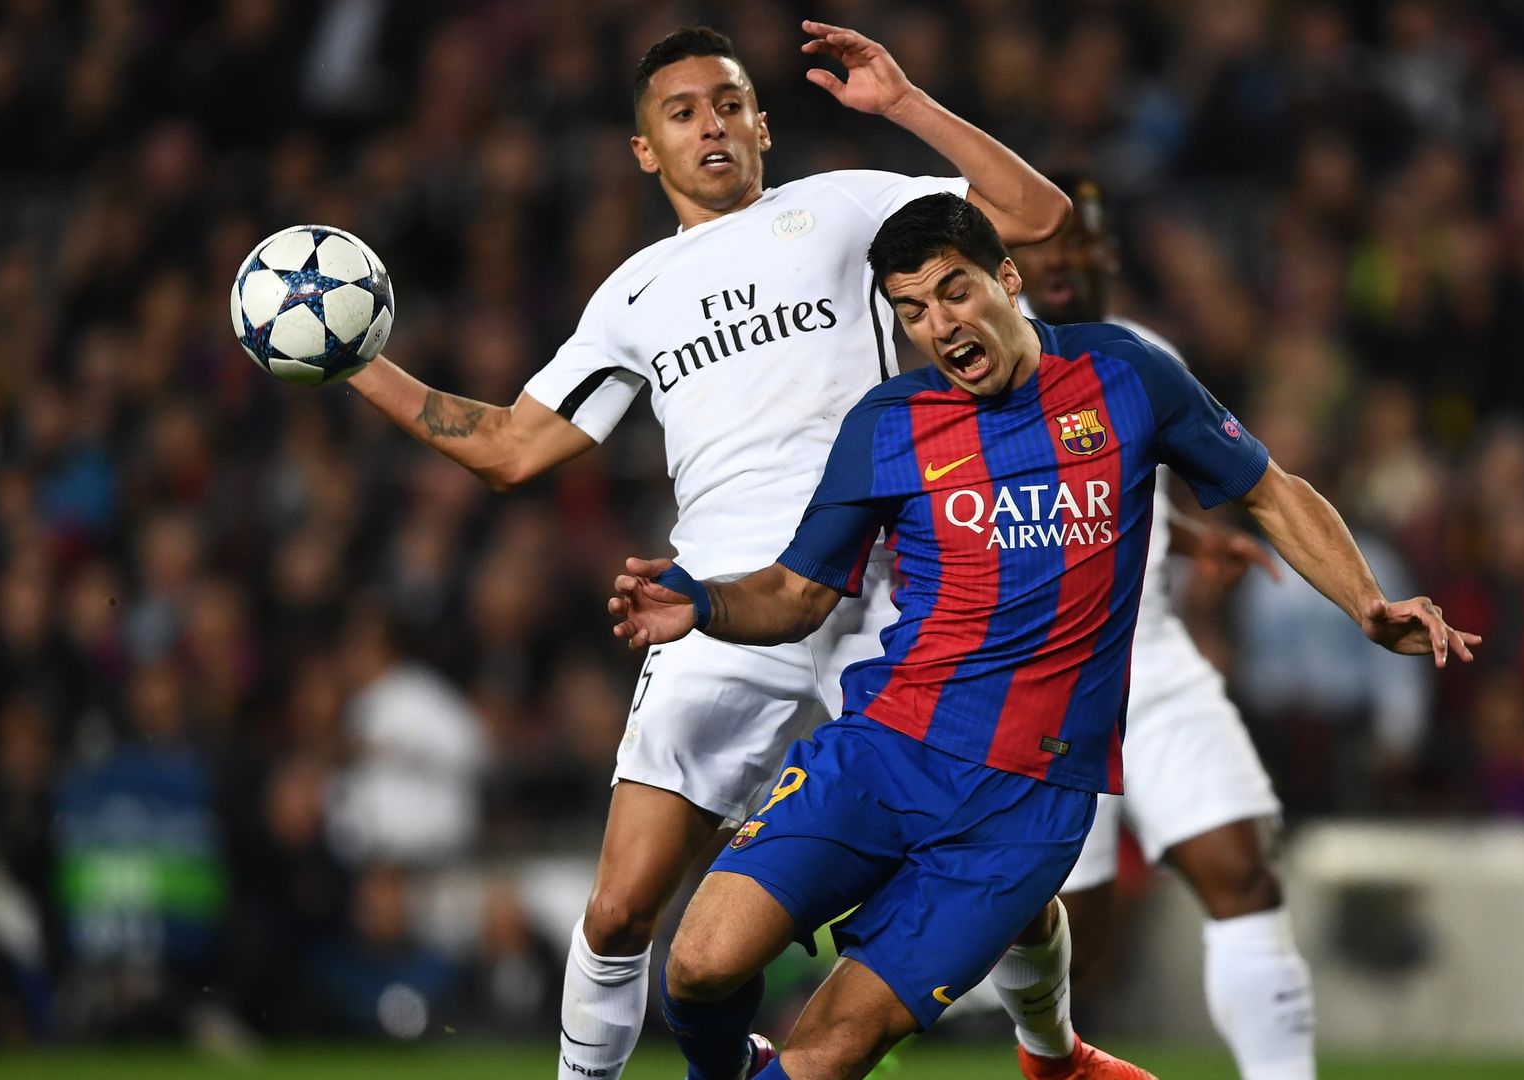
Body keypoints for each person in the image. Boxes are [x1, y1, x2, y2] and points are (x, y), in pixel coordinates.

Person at [339, 22, 1072, 1080]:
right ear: (647, 151)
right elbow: (507, 447)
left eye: (729, 103)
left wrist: (906, 104)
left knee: (1003, 860)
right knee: (622, 902)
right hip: (724, 603)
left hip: (890, 588)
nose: (710, 125)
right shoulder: (633, 293)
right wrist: (358, 364)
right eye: (681, 113)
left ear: (763, 125)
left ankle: (1053, 1052)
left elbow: (1034, 217)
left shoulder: (850, 205)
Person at [609, 193, 1478, 1080]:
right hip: (883, 749)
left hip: (1024, 799)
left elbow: (1267, 489)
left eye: (954, 292)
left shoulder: (1124, 376)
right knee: (696, 966)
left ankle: (1046, 1052)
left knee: (827, 1055)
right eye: (912, 310)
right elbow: (795, 594)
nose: (939, 325)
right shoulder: (887, 422)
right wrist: (701, 603)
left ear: (1008, 278)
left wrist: (1368, 605)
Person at [1009, 174, 1319, 1080]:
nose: (1061, 260)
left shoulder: (1141, 353)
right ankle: (1050, 1060)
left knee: (1243, 873)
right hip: (1046, 689)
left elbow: (1120, 487)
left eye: (1080, 243)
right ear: (1008, 260)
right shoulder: (978, 367)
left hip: (1151, 658)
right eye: (1042, 245)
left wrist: (1184, 537)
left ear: (1106, 256)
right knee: (1073, 939)